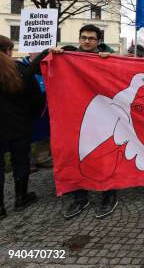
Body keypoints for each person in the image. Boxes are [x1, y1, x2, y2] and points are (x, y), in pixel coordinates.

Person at [51, 24, 119, 219]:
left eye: (91, 38)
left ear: (98, 41)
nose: (87, 41)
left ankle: (109, 194)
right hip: (73, 117)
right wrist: (52, 53)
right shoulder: (66, 58)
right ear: (79, 39)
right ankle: (80, 197)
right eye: (83, 37)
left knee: (104, 156)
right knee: (75, 155)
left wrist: (109, 58)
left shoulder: (107, 58)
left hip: (103, 117)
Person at [0, 35, 43, 220]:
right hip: (20, 125)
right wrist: (29, 117)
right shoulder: (22, 70)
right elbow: (37, 99)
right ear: (9, 50)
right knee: (20, 161)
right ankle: (20, 198)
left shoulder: (21, 69)